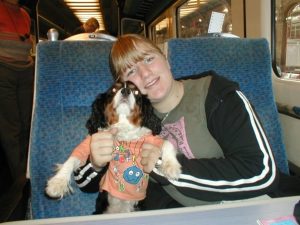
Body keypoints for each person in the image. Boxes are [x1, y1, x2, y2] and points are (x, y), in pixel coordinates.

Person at [73, 34, 280, 212]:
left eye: (149, 59)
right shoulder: (128, 120)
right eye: (131, 72)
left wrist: (164, 167)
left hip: (245, 208)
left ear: (166, 60)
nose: (145, 73)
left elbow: (262, 172)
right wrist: (95, 163)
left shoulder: (216, 95)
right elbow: (86, 184)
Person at [0, 0, 34, 221]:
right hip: (3, 69)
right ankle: (19, 180)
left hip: (26, 69)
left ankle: (26, 172)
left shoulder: (25, 14)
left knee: (27, 124)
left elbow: (26, 40)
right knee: (10, 127)